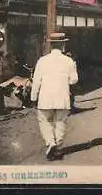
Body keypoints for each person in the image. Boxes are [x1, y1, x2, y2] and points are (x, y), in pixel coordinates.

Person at [30, 33, 78, 161]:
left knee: (45, 121)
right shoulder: (68, 61)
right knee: (60, 122)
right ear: (63, 44)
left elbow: (36, 81)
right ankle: (57, 146)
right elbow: (74, 80)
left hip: (45, 98)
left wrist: (33, 97)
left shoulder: (42, 60)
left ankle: (51, 143)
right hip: (62, 97)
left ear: (50, 44)